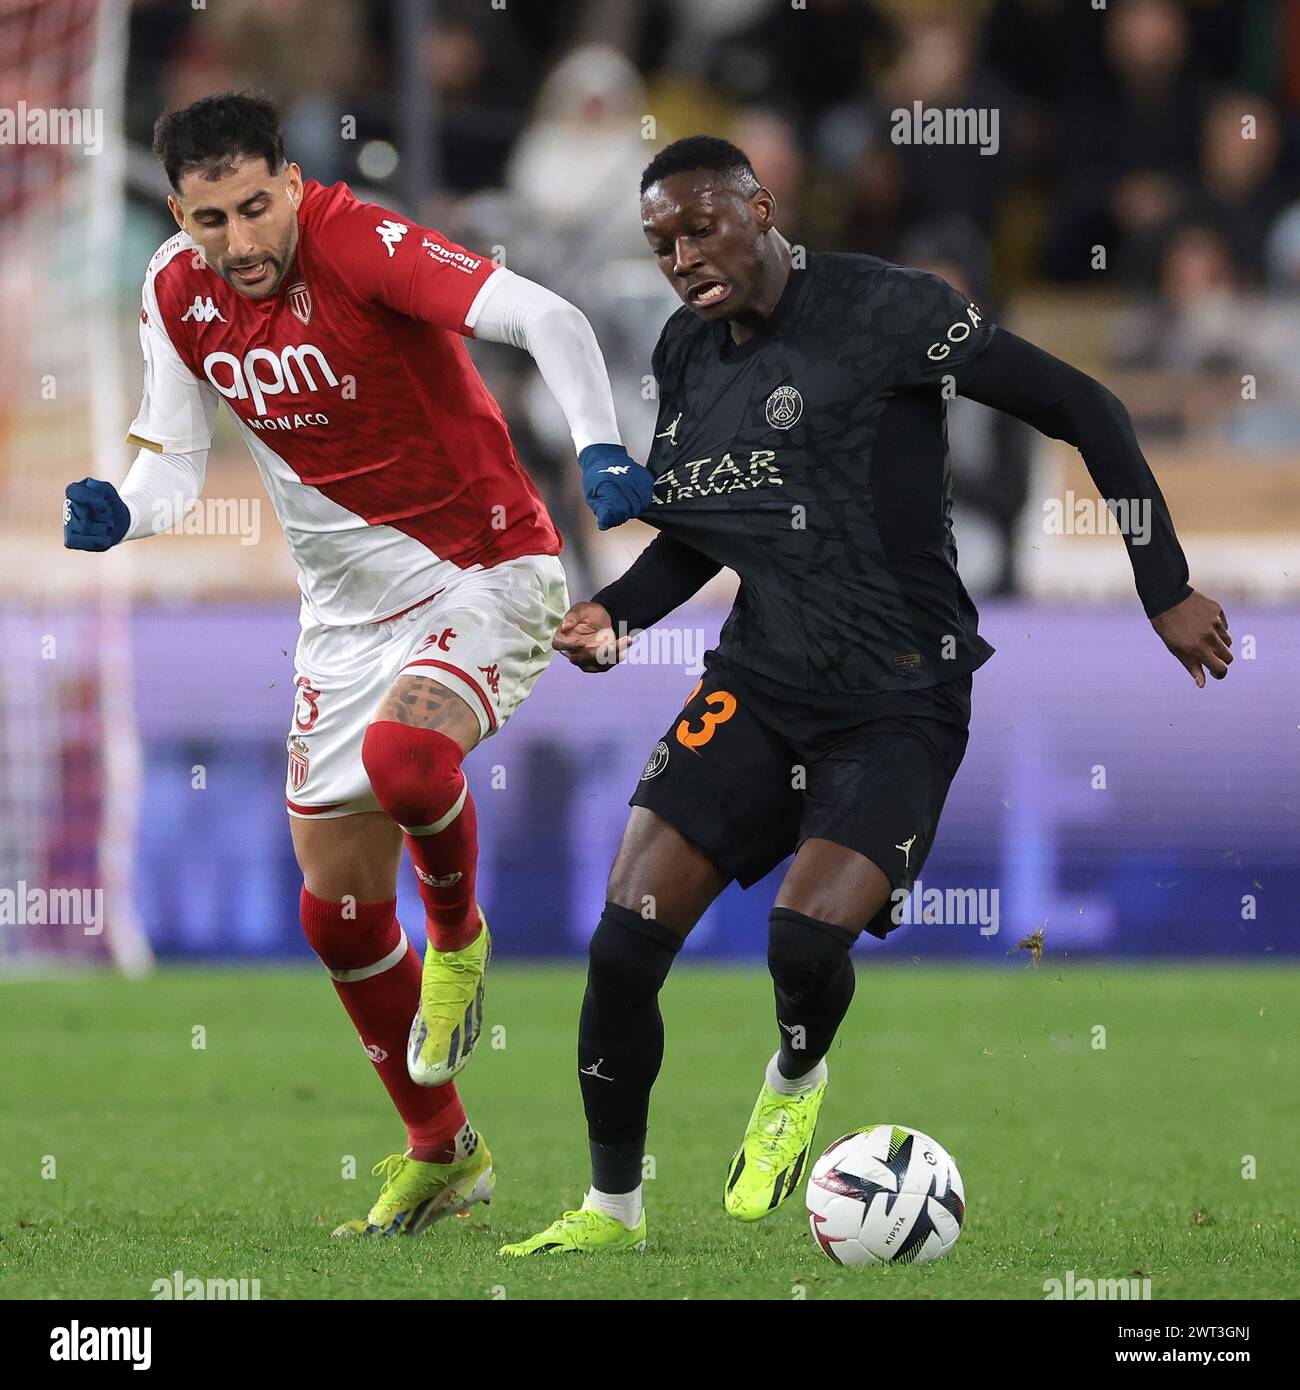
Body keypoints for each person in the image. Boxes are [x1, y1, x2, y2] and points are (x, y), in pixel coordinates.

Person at [501, 135, 1232, 1256]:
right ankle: (612, 1211)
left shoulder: (889, 311)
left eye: (701, 227)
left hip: (901, 699)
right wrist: (619, 614)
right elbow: (705, 532)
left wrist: (1162, 584)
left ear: (761, 206)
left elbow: (1083, 406)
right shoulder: (685, 353)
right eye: (661, 243)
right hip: (758, 681)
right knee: (623, 942)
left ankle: (796, 1073)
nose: (683, 256)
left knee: (800, 942)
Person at [61, 92, 651, 1237]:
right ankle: (443, 1149)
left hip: (484, 569)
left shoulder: (360, 242)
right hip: (343, 617)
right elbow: (174, 463)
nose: (240, 242)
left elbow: (551, 320)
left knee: (408, 759)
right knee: (333, 916)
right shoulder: (176, 293)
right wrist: (119, 511)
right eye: (208, 220)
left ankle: (460, 938)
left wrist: (599, 448)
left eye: (255, 207)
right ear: (177, 216)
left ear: (289, 181)